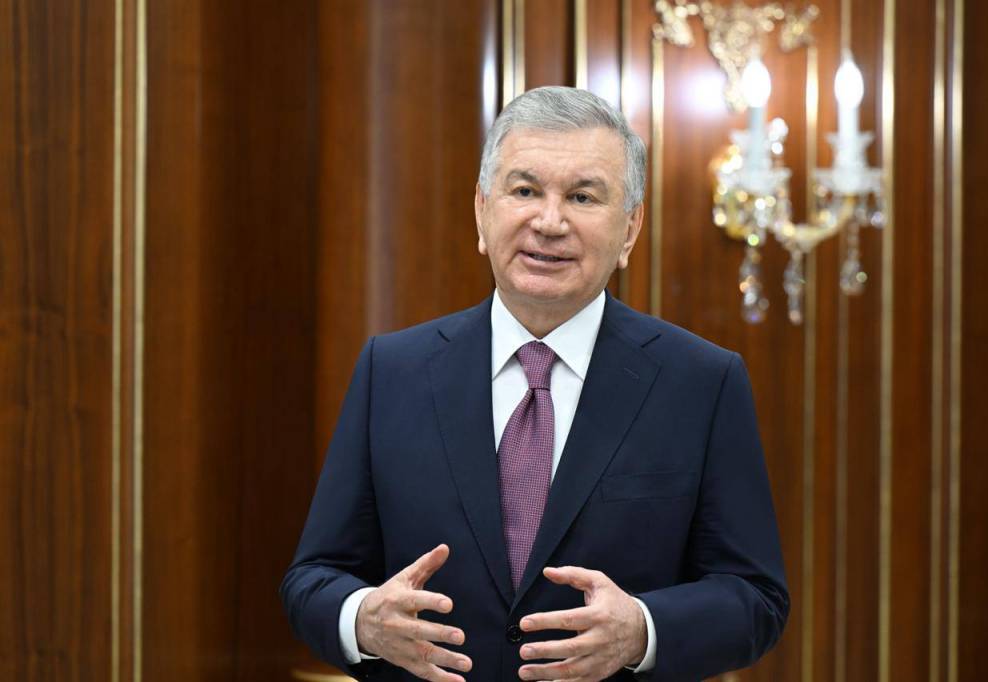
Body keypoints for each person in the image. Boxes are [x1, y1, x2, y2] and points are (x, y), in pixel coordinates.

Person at [280, 86, 788, 682]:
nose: (549, 222)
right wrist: (362, 620)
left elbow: (755, 598)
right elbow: (312, 580)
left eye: (582, 196)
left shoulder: (701, 382)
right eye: (524, 191)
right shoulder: (391, 371)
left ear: (629, 229)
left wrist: (642, 630)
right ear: (482, 210)